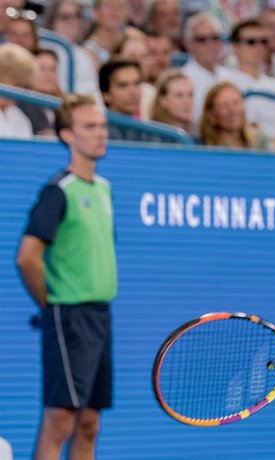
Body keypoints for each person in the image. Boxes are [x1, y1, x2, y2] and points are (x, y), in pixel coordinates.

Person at [15, 93, 116, 460]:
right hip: (69, 318)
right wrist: (51, 303)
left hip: (100, 317)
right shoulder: (58, 191)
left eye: (103, 126)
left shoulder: (103, 189)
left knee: (90, 422)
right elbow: (27, 258)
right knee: (60, 421)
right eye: (90, 127)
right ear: (67, 135)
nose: (100, 134)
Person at [199, 81, 271, 149]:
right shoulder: (202, 147)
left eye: (236, 103)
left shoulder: (260, 142)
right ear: (211, 115)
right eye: (224, 106)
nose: (232, 110)